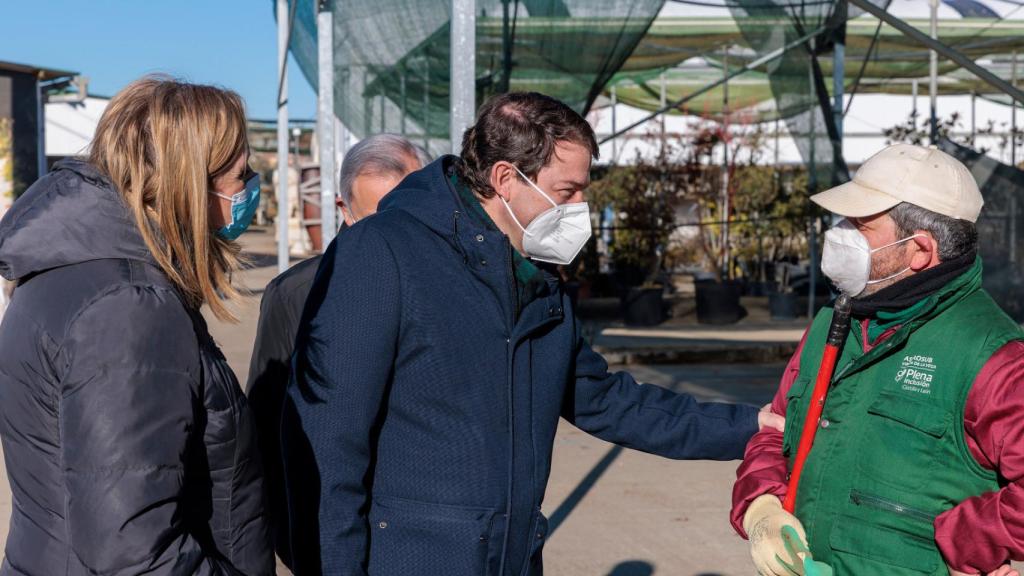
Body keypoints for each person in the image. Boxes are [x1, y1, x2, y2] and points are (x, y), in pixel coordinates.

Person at [284, 91, 783, 576]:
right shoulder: (384, 252)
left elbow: (605, 400)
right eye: (568, 191)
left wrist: (750, 426)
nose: (581, 206)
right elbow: (329, 439)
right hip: (412, 557)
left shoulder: (534, 274)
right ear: (505, 178)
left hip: (512, 555)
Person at [0, 76, 273, 575]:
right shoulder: (127, 307)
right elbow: (132, 549)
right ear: (190, 180)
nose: (251, 186)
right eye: (241, 173)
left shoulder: (75, 272)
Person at [731, 143, 1024, 576]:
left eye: (859, 224)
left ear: (920, 250)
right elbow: (776, 430)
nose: (838, 233)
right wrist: (762, 505)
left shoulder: (991, 354)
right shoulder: (833, 321)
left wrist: (964, 543)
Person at [246, 133, 428, 571]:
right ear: (344, 211)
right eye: (378, 221)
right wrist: (295, 542)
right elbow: (267, 427)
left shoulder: (457, 290)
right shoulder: (294, 295)